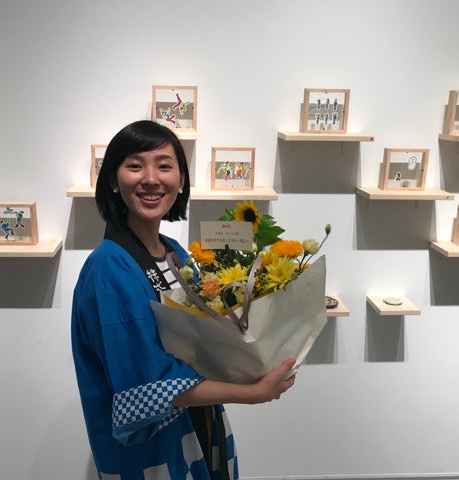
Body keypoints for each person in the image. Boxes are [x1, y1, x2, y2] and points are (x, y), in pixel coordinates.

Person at [71, 120, 296, 480]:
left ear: (180, 180)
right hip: (152, 448)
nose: (151, 178)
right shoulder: (109, 267)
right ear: (113, 180)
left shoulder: (175, 252)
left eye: (164, 165)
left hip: (197, 422)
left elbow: (202, 340)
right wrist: (252, 392)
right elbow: (144, 382)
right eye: (134, 165)